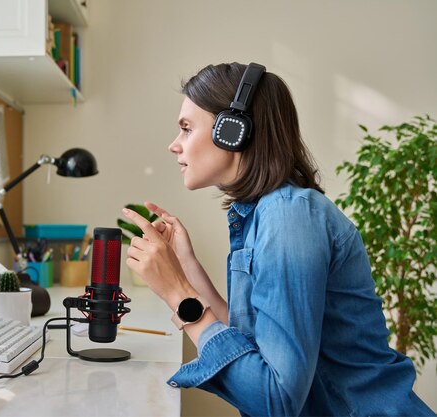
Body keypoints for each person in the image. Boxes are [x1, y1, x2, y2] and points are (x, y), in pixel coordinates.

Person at [122, 62, 435, 416]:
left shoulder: (289, 218)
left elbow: (276, 400)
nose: (173, 146)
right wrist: (185, 266)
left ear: (233, 131)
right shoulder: (264, 214)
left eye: (186, 128)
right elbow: (254, 346)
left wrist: (180, 295)